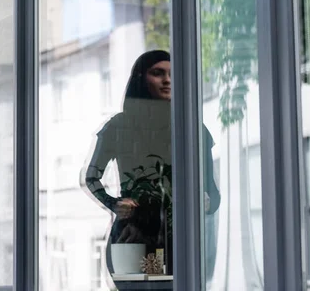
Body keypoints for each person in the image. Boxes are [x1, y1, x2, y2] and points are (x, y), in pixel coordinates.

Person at [84, 50, 220, 283]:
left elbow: (212, 193)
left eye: (171, 74)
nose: (167, 80)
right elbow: (91, 177)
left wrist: (205, 202)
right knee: (147, 287)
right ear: (141, 79)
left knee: (172, 286)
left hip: (177, 238)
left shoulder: (192, 128)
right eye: (158, 73)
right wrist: (114, 204)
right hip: (135, 237)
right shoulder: (120, 127)